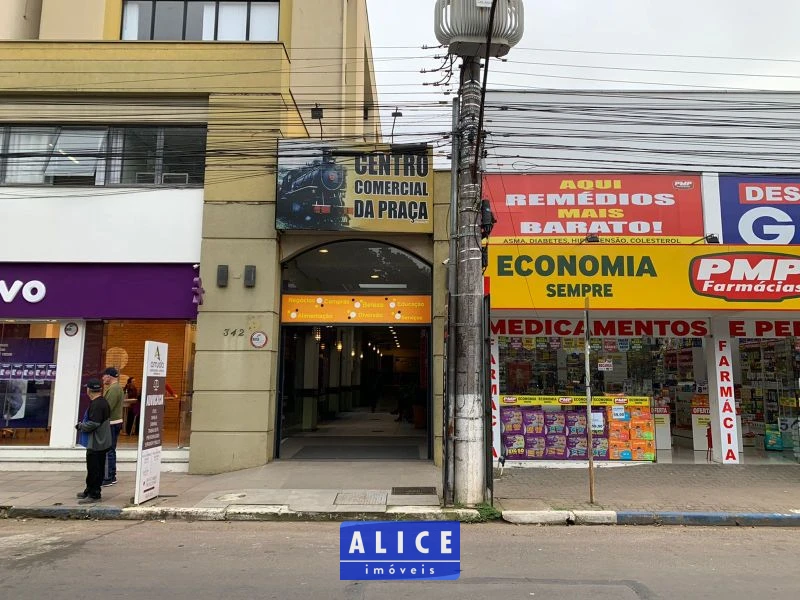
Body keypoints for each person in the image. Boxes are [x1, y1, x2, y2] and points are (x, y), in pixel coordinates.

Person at [75, 378, 111, 504]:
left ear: (89, 390)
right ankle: (89, 490)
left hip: (96, 442)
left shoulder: (96, 404)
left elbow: (94, 423)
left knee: (94, 469)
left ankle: (94, 494)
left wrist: (80, 426)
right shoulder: (102, 402)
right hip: (100, 441)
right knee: (94, 468)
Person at [101, 367, 124, 486]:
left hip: (111, 423)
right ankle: (112, 475)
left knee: (108, 451)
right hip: (115, 422)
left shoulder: (114, 389)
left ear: (109, 376)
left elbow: (107, 407)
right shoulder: (117, 388)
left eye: (104, 376)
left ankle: (108, 476)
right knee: (111, 450)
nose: (102, 378)